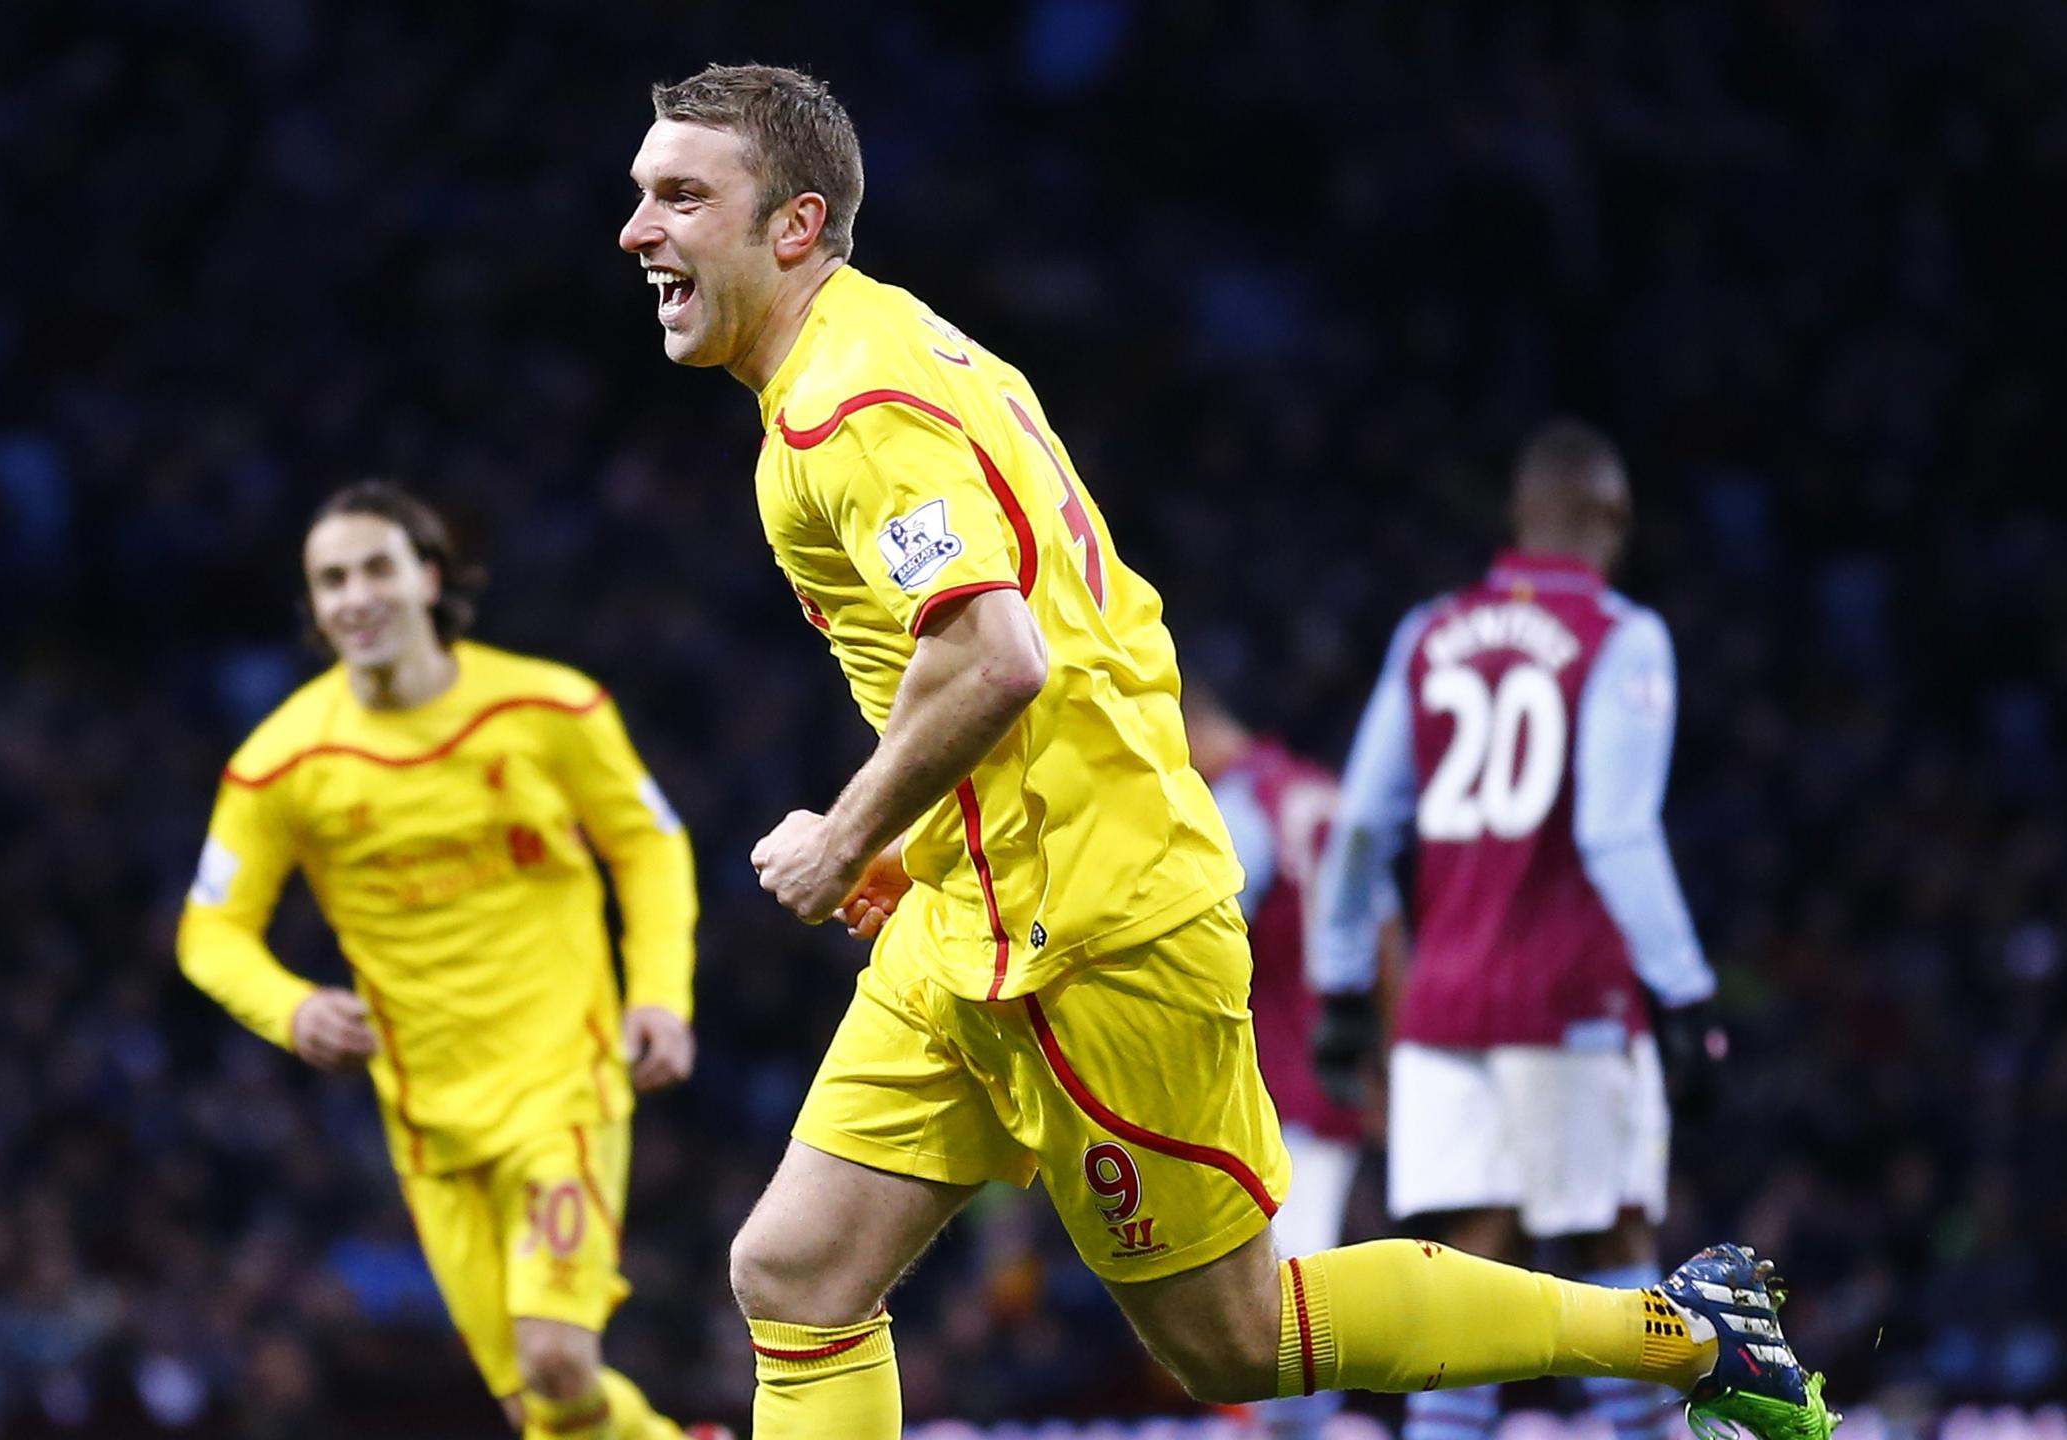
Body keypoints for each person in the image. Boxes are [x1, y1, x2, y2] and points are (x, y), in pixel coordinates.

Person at [615, 62, 1832, 1440]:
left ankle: (1681, 1333)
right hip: (979, 908)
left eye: (679, 198)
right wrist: (920, 836)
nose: (637, 232)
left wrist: (844, 832)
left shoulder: (853, 410)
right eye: (642, 196)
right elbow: (1067, 637)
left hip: (1090, 927)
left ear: (794, 223)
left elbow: (1001, 656)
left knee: (1233, 1341)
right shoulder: (894, 347)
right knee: (796, 1270)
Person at [177, 481, 710, 1440]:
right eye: (331, 580)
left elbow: (650, 846)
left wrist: (661, 995)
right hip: (428, 1121)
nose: (356, 596)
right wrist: (290, 1009)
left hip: (564, 1086)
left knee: (554, 1358)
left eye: (377, 567)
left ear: (429, 577)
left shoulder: (549, 708)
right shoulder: (278, 764)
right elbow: (208, 931)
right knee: (542, 1410)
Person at [1306, 420, 1730, 1440]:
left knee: (1471, 1262)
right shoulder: (1624, 638)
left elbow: (1361, 823)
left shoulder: (1427, 633)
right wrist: (1683, 991)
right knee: (1616, 1240)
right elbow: (1614, 830)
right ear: (1614, 517)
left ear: (1515, 517)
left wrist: (1341, 984)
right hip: (1571, 1000)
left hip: (1445, 1005)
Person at [1184, 688, 1399, 1440]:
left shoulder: (1236, 806)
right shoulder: (1322, 793)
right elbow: (1384, 931)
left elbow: (1203, 936)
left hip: (1265, 1086)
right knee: (1305, 1290)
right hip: (1331, 1076)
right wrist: (1381, 1057)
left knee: (1277, 1310)